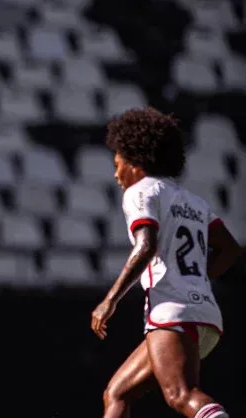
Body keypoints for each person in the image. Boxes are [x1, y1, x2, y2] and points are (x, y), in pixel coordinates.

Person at [91, 107, 242, 418]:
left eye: (117, 164)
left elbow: (146, 246)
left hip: (170, 310)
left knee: (180, 395)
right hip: (204, 312)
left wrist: (109, 300)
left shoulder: (140, 191)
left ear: (134, 160)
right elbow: (230, 249)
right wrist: (197, 280)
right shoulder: (193, 201)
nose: (116, 174)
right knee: (117, 392)